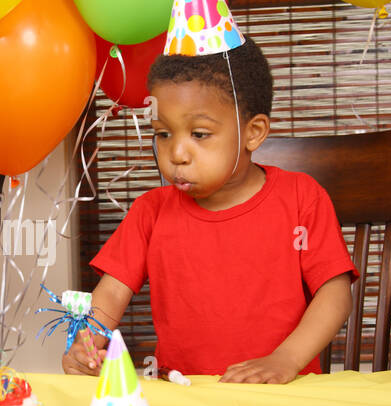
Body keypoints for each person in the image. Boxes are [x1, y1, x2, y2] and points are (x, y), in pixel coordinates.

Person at [63, 37, 356, 381]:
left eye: (199, 134)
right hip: (185, 399)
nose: (177, 154)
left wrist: (286, 359)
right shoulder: (150, 212)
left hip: (282, 397)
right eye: (163, 134)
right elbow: (111, 292)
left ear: (253, 132)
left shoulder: (301, 198)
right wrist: (86, 342)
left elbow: (334, 293)